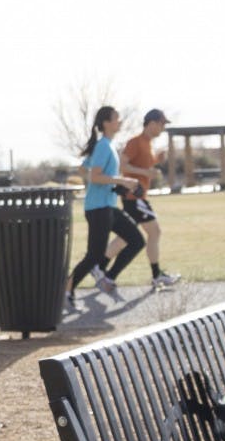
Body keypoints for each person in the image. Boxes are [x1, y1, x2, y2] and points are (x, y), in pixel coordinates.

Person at [65, 106, 145, 307]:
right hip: (98, 208)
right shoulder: (103, 146)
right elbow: (94, 175)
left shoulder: (105, 145)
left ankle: (108, 277)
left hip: (106, 206)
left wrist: (111, 185)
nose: (120, 122)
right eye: (117, 119)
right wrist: (121, 182)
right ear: (107, 123)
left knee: (136, 240)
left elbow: (84, 169)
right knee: (94, 255)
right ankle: (67, 287)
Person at [104, 108, 180, 289]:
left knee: (124, 238)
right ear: (152, 123)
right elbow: (123, 164)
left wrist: (155, 162)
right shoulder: (135, 142)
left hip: (137, 196)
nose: (163, 128)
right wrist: (146, 171)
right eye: (162, 124)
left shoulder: (148, 144)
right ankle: (156, 275)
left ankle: (98, 267)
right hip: (134, 196)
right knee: (155, 232)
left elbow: (141, 165)